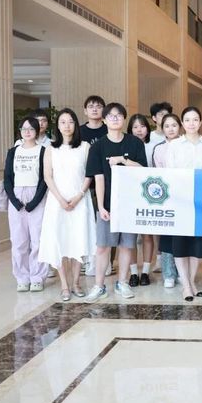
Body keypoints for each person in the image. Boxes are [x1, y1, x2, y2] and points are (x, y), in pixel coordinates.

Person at [84, 103, 148, 303]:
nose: (115, 118)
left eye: (119, 115)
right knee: (103, 246)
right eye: (111, 116)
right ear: (104, 120)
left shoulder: (135, 144)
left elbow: (143, 170)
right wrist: (101, 206)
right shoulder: (98, 146)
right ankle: (99, 285)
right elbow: (98, 178)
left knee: (127, 245)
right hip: (107, 204)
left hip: (130, 204)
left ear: (124, 118)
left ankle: (122, 282)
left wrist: (123, 160)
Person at [39, 108, 95, 301]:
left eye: (70, 121)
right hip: (57, 202)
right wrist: (61, 200)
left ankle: (76, 283)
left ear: (76, 124)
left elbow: (89, 174)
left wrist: (79, 196)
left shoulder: (85, 147)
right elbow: (47, 176)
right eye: (63, 122)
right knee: (60, 240)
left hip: (80, 200)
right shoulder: (50, 149)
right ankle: (64, 285)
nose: (67, 126)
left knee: (78, 240)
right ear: (58, 126)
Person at [165, 107, 202, 302]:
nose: (191, 123)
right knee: (180, 244)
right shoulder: (175, 145)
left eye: (195, 119)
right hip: (180, 199)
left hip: (201, 200)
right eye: (187, 120)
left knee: (197, 243)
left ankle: (191, 280)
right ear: (182, 123)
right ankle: (185, 285)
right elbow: (169, 173)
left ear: (200, 122)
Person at [4, 116, 48, 292]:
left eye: (31, 129)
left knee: (38, 240)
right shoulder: (13, 152)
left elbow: (45, 179)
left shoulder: (43, 151)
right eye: (24, 129)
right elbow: (7, 178)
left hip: (36, 197)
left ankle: (37, 277)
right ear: (20, 131)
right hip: (16, 197)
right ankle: (22, 277)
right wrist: (14, 201)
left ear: (37, 131)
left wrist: (34, 202)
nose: (27, 132)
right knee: (18, 241)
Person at [126, 114, 158, 287]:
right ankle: (133, 272)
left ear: (148, 128)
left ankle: (145, 271)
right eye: (135, 127)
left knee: (147, 234)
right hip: (131, 193)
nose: (139, 130)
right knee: (130, 236)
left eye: (142, 126)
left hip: (150, 194)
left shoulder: (154, 145)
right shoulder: (126, 144)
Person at [151, 113, 182, 288]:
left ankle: (182, 272)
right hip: (166, 197)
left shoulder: (186, 145)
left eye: (174, 125)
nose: (171, 129)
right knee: (167, 236)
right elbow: (157, 173)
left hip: (184, 197)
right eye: (167, 126)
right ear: (162, 129)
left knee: (183, 235)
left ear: (180, 127)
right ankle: (168, 274)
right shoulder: (159, 149)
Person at [79, 95, 108, 278]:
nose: (95, 109)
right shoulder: (79, 132)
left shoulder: (109, 129)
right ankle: (86, 259)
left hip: (106, 183)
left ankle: (106, 262)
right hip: (84, 184)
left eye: (98, 106)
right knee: (86, 222)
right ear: (85, 111)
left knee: (105, 222)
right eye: (91, 106)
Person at [148, 101, 173, 272]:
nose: (164, 118)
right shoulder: (151, 140)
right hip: (157, 187)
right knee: (159, 228)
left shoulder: (180, 141)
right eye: (161, 115)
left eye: (167, 115)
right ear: (154, 118)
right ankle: (160, 259)